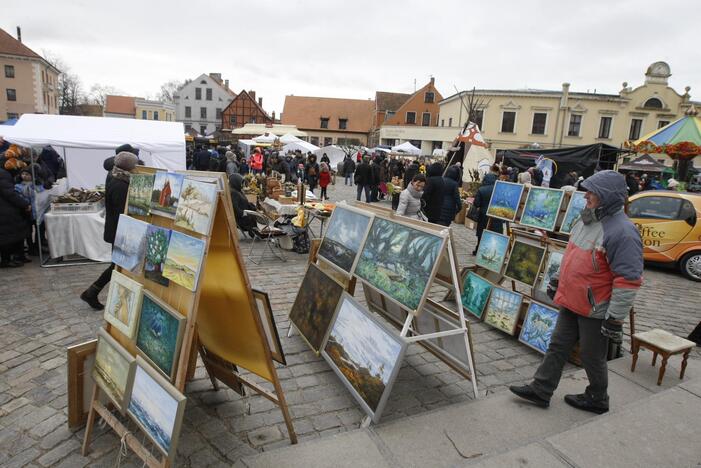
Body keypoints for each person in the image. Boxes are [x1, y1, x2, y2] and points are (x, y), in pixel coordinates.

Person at [510, 170, 643, 414]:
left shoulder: (623, 231)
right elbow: (572, 257)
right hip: (572, 299)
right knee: (557, 346)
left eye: (592, 192)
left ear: (608, 196)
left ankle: (598, 397)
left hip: (595, 307)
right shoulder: (586, 220)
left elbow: (628, 280)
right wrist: (557, 281)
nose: (586, 196)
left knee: (592, 357)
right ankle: (541, 389)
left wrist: (615, 318)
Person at [80, 151, 138, 310]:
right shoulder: (120, 183)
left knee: (118, 265)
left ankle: (92, 292)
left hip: (117, 229)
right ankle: (92, 293)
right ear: (128, 166)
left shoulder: (116, 176)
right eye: (135, 165)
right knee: (117, 265)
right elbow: (122, 212)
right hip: (120, 231)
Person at [0, 156, 31, 268]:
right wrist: (25, 203)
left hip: (5, 208)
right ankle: (6, 260)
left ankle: (14, 257)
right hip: (5, 210)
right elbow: (10, 194)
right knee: (8, 235)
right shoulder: (3, 174)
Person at [472, 172, 504, 254]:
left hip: (483, 215)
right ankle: (493, 251)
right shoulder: (499, 190)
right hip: (496, 214)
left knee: (481, 232)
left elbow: (476, 203)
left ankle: (478, 249)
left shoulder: (481, 189)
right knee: (495, 232)